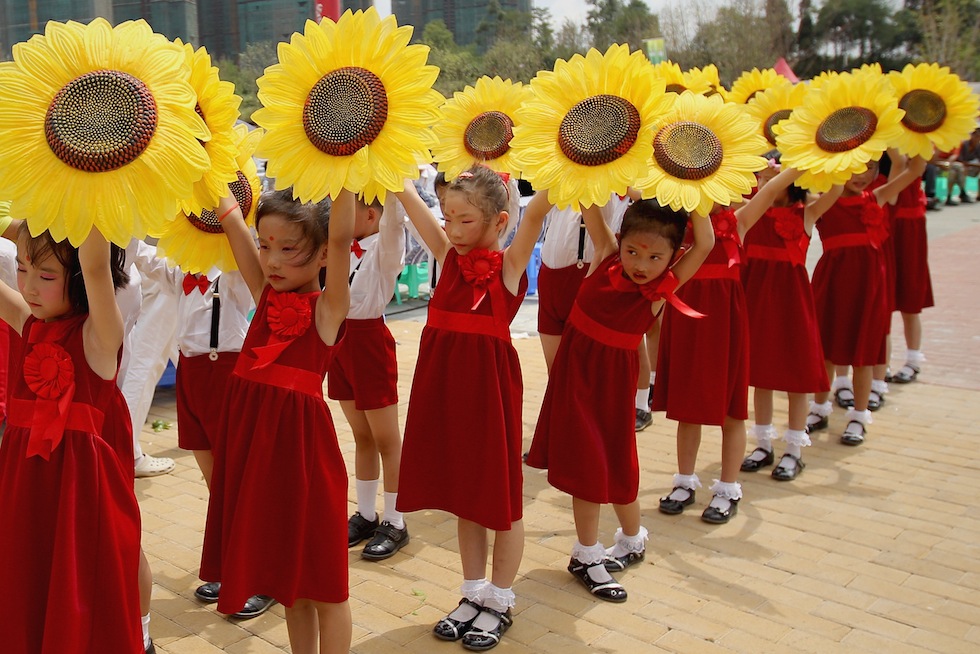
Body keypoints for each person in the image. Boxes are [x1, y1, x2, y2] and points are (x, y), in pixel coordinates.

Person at [395, 166, 551, 651]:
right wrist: (387, 166)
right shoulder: (445, 258)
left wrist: (576, 159)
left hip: (489, 396)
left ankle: (500, 598)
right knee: (465, 495)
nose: (451, 230)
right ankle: (471, 591)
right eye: (448, 218)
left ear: (498, 221)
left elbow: (537, 212)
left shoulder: (508, 267)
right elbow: (412, 205)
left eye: (464, 221)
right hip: (445, 392)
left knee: (499, 500)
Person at [527, 199, 712, 601]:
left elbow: (706, 244)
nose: (640, 264)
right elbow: (591, 203)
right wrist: (589, 160)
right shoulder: (606, 255)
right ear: (621, 240)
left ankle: (632, 537)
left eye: (654, 256)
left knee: (619, 465)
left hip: (612, 384)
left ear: (672, 256)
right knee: (587, 470)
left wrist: (696, 190)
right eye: (633, 251)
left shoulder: (663, 287)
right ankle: (586, 554)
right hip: (575, 379)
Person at [200, 189, 355, 654]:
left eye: (289, 249)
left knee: (324, 586)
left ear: (324, 253)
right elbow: (231, 221)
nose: (271, 260)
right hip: (259, 463)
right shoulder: (265, 296)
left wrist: (344, 171)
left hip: (305, 465)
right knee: (288, 586)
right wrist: (208, 155)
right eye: (266, 246)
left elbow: (344, 238)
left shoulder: (327, 311)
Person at [0, 223, 143, 653]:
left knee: (78, 606)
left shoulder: (97, 340)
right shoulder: (29, 327)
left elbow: (97, 266)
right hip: (25, 497)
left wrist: (88, 189)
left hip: (79, 506)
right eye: (23, 270)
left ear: (79, 282)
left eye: (46, 276)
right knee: (26, 592)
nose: (27, 286)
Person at [132, 242, 276, 618]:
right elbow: (144, 258)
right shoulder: (180, 266)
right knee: (217, 483)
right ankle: (233, 568)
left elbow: (242, 245)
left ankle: (262, 576)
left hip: (226, 373)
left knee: (240, 482)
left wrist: (228, 215)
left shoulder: (232, 269)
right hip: (192, 377)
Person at [808, 156, 927, 445]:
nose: (863, 174)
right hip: (833, 283)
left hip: (869, 285)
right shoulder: (823, 199)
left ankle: (858, 417)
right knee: (827, 350)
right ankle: (819, 408)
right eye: (856, 166)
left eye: (871, 167)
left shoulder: (878, 196)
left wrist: (922, 132)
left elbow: (916, 169)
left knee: (863, 353)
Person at [736, 159, 840, 481]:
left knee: (797, 379)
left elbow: (835, 188)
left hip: (793, 306)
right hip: (755, 303)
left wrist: (825, 158)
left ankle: (794, 451)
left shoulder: (806, 214)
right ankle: (763, 444)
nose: (768, 179)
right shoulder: (749, 212)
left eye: (775, 174)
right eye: (765, 175)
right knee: (761, 376)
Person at [654, 200, 751, 525]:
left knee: (732, 411)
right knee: (688, 408)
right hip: (688, 321)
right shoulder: (677, 225)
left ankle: (727, 488)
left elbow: (778, 184)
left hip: (726, 325)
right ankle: (684, 481)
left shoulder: (741, 219)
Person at [332, 196, 410, 560]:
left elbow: (394, 224)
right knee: (361, 435)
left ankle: (396, 520)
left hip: (369, 342)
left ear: (370, 215)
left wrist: (394, 185)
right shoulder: (338, 245)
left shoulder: (384, 246)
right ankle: (365, 513)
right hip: (339, 340)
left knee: (386, 439)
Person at [888, 152, 935, 385]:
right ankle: (880, 364)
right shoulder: (877, 171)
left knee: (910, 298)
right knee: (882, 303)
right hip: (884, 229)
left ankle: (913, 359)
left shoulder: (912, 160)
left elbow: (919, 163)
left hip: (910, 230)